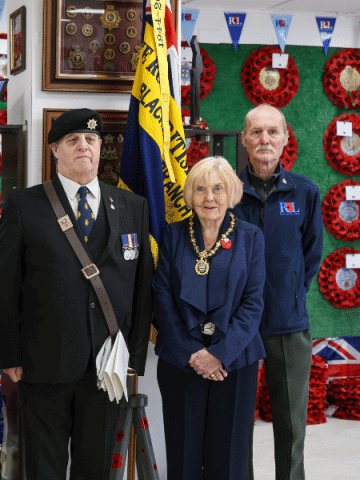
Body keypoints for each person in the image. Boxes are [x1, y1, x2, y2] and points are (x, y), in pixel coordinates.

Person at [0, 108, 153, 479]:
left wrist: (135, 358)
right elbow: (6, 287)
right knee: (43, 468)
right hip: (42, 362)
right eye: (73, 140)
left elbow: (142, 288)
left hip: (108, 366)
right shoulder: (24, 206)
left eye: (92, 139)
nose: (84, 146)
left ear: (101, 148)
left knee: (96, 468)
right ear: (54, 150)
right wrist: (11, 355)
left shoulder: (132, 207)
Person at [153, 156, 266, 479]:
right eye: (200, 190)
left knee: (228, 459)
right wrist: (193, 354)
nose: (209, 198)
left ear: (231, 192)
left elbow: (253, 303)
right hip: (180, 360)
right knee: (183, 455)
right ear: (190, 195)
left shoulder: (250, 237)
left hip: (234, 362)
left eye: (218, 189)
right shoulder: (173, 235)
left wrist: (218, 354)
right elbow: (163, 298)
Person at [233, 104, 323, 480]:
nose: (264, 139)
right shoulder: (228, 191)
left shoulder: (304, 192)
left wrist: (289, 296)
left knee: (290, 423)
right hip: (236, 325)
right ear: (244, 140)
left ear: (286, 139)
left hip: (288, 324)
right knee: (237, 422)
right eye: (256, 132)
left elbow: (312, 253)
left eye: (272, 132)